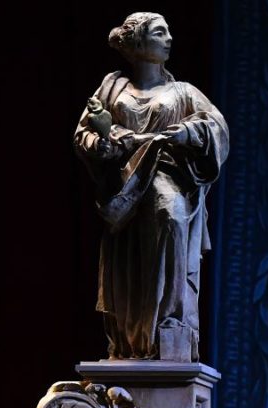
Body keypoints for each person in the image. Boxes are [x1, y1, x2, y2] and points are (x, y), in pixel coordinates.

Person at [74, 12, 229, 361]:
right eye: (160, 33)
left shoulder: (183, 92)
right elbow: (85, 133)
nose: (169, 38)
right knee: (130, 259)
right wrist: (104, 141)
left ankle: (169, 323)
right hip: (125, 186)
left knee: (170, 216)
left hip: (167, 175)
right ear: (138, 42)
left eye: (169, 32)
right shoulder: (113, 88)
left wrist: (190, 131)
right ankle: (132, 339)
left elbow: (217, 126)